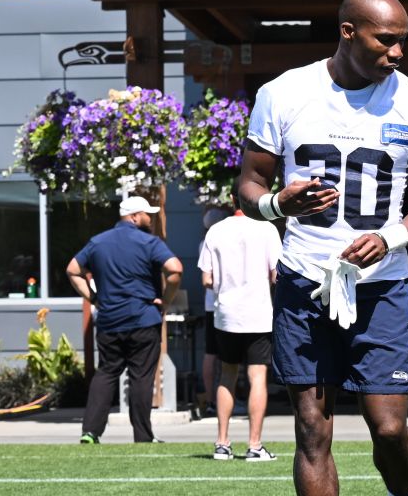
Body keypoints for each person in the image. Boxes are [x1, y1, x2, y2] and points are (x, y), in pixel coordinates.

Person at [237, 0, 408, 496]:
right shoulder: (283, 93)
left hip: (381, 285)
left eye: (403, 38)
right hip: (306, 280)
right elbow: (249, 183)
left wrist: (387, 238)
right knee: (311, 426)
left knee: (389, 429)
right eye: (387, 39)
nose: (398, 51)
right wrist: (279, 203)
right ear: (349, 32)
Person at [67, 195, 184, 444]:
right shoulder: (149, 242)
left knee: (107, 372)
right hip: (143, 319)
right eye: (146, 215)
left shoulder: (97, 242)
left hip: (109, 321)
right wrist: (165, 300)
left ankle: (90, 432)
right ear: (133, 216)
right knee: (141, 376)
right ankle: (142, 436)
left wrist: (95, 299)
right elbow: (175, 269)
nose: (150, 219)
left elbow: (72, 270)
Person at [198, 199, 282, 462]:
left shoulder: (216, 230)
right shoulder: (267, 229)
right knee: (257, 376)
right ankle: (254, 446)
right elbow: (276, 274)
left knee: (228, 375)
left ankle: (222, 444)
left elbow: (206, 279)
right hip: (258, 312)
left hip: (226, 314)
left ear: (231, 201)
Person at [199, 207, 233, 417]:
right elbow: (207, 281)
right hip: (225, 304)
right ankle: (221, 400)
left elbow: (206, 279)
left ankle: (213, 400)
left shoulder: (205, 241)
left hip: (212, 305)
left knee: (212, 354)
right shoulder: (220, 239)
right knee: (235, 362)